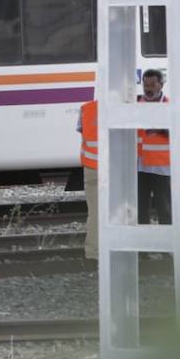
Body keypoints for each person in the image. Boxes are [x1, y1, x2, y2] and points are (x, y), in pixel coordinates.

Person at [137, 68, 172, 225]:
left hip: (161, 167)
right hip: (140, 167)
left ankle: (167, 246)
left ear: (161, 85)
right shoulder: (136, 104)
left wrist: (160, 128)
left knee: (164, 208)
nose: (148, 89)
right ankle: (143, 248)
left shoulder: (168, 105)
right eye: (145, 85)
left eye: (152, 84)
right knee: (140, 208)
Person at [77, 97, 99, 259]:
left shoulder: (85, 108)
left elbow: (81, 130)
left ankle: (93, 253)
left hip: (92, 167)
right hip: (114, 168)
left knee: (94, 213)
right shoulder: (120, 109)